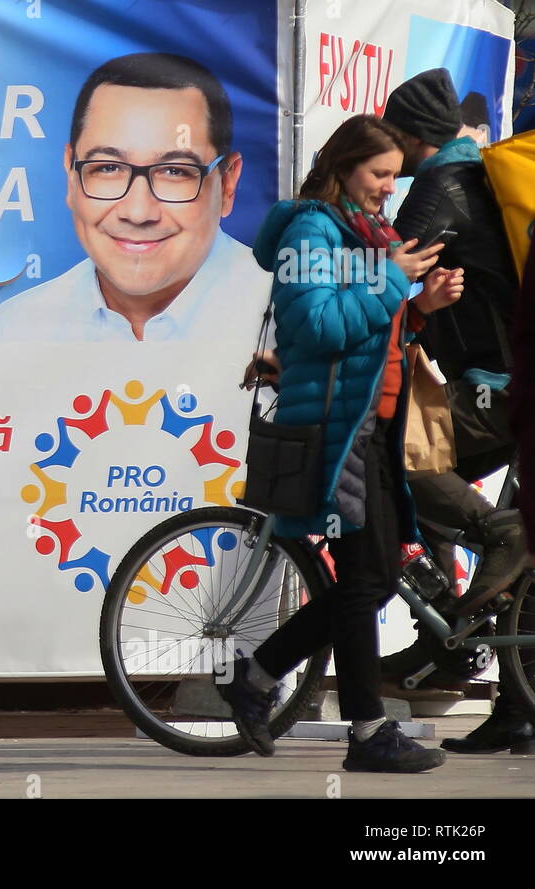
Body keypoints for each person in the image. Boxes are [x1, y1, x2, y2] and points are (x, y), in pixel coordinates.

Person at [218, 114, 462, 772]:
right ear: (344, 166)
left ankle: (257, 677)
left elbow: (367, 336)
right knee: (362, 580)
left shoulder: (367, 234)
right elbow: (320, 325)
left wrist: (418, 309)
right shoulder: (311, 230)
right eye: (379, 174)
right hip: (334, 428)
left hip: (370, 424)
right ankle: (366, 731)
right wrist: (391, 284)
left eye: (393, 175)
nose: (389, 187)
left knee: (374, 578)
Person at [377, 68, 531, 753]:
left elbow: (388, 268)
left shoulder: (441, 187)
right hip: (509, 384)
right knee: (517, 565)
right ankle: (517, 707)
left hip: (490, 388)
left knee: (397, 460)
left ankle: (451, 616)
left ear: (412, 136)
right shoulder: (475, 179)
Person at [0, 52, 270, 343]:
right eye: (108, 168)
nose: (138, 212)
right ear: (70, 176)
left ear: (228, 184)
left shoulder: (287, 320)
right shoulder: (16, 330)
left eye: (174, 171)